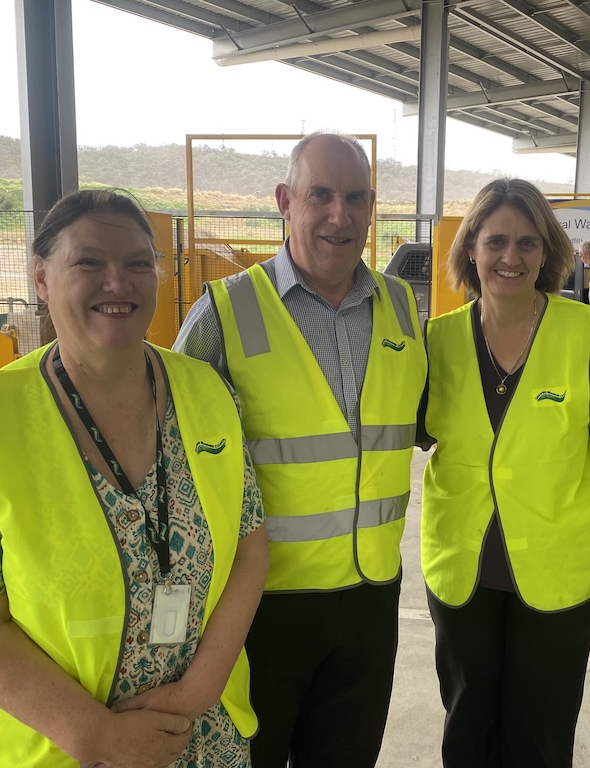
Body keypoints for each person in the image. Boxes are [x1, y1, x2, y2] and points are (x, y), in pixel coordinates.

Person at [0, 189, 270, 767]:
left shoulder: (208, 392)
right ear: (40, 279)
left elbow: (250, 549)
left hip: (197, 737)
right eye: (89, 262)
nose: (119, 281)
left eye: (138, 263)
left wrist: (197, 692)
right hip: (58, 748)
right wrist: (96, 734)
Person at [173, 131, 427, 768]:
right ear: (286, 200)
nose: (339, 215)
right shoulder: (224, 312)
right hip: (262, 605)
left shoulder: (401, 309)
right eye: (321, 195)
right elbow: (170, 450)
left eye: (356, 197)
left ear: (372, 207)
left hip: (371, 597)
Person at [419, 178, 590, 767]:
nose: (511, 257)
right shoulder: (438, 340)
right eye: (496, 242)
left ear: (548, 252)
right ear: (471, 251)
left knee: (541, 725)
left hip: (564, 564)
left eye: (528, 243)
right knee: (468, 717)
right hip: (464, 565)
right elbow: (421, 429)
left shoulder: (585, 334)